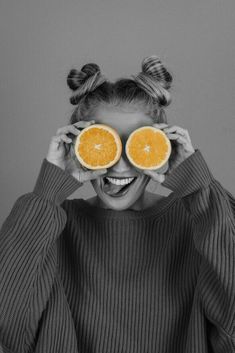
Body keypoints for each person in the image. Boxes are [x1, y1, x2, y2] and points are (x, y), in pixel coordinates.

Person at [0, 56, 234, 353]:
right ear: (78, 145)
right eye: (104, 143)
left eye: (137, 144)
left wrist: (200, 189)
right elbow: (9, 328)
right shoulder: (51, 227)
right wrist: (48, 192)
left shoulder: (199, 221)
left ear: (162, 146)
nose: (120, 167)